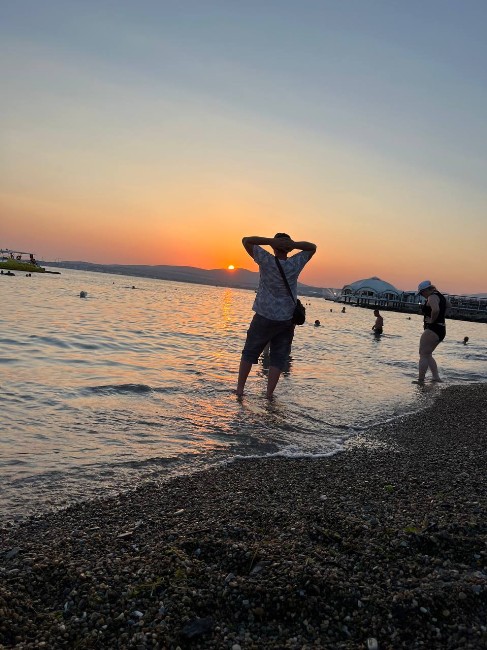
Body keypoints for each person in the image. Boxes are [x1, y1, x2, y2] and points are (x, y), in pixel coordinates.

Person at [235, 233, 317, 398]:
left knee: (249, 352)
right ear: (288, 249)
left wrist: (270, 241)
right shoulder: (294, 263)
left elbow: (246, 240)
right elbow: (312, 247)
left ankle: (240, 390)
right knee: (278, 357)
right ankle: (268, 395)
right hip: (286, 319)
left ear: (274, 247)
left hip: (264, 314)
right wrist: (294, 244)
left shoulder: (266, 260)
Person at [415, 280, 450, 384]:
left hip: (433, 329)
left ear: (426, 290)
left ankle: (421, 380)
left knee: (423, 354)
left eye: (421, 293)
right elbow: (449, 306)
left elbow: (436, 310)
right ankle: (436, 377)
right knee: (428, 354)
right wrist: (441, 318)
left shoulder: (431, 297)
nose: (422, 295)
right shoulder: (440, 296)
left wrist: (432, 320)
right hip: (441, 329)